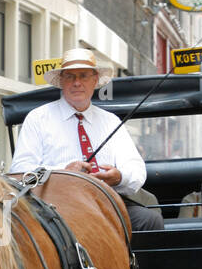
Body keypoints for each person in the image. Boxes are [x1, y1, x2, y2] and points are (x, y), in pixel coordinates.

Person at [9, 48, 164, 230]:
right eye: (70, 77)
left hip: (106, 204)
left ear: (95, 80)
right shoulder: (38, 119)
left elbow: (136, 170)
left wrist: (119, 177)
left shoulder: (111, 121)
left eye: (83, 76)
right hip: (56, 207)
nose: (77, 83)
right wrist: (62, 173)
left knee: (150, 220)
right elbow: (20, 172)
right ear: (61, 81)